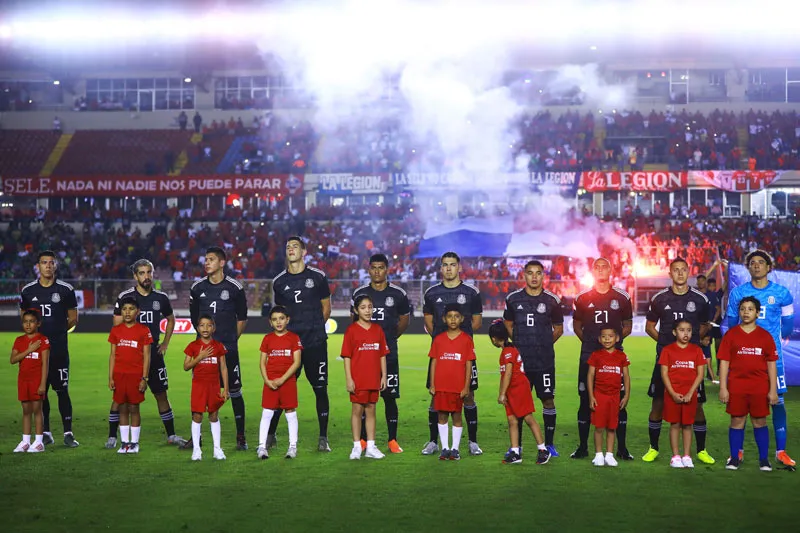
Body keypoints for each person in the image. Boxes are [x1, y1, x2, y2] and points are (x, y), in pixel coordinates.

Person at [726, 249, 794, 467]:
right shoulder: (738, 293)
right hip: (744, 360)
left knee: (778, 403)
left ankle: (780, 452)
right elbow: (731, 325)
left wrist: (775, 341)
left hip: (773, 360)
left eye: (761, 262)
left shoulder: (782, 293)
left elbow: (788, 326)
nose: (756, 265)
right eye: (752, 262)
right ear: (748, 267)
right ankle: (737, 452)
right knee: (741, 406)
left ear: (769, 267)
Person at [108, 259, 185, 449]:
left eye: (149, 272)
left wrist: (165, 343)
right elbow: (117, 328)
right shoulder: (126, 297)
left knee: (161, 394)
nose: (146, 276)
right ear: (135, 276)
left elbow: (171, 319)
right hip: (130, 358)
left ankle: (171, 435)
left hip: (154, 356)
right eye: (142, 273)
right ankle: (112, 437)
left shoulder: (161, 298)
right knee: (121, 398)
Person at [643, 258, 714, 464]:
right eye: (676, 270)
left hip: (691, 363)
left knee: (697, 406)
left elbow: (705, 324)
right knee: (658, 403)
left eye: (683, 270)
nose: (680, 273)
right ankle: (653, 448)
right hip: (665, 362)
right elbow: (649, 327)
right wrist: (668, 347)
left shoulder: (700, 299)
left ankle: (701, 450)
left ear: (688, 272)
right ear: (670, 273)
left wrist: (692, 345)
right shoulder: (659, 298)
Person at [269, 237, 333, 452]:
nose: (291, 249)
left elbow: (326, 308)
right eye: (288, 247)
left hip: (315, 343)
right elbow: (279, 315)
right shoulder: (279, 282)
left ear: (304, 252)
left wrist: (314, 329)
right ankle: (270, 435)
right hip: (290, 346)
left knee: (320, 389)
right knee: (282, 388)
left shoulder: (318, 277)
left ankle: (323, 437)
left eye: (295, 246)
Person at [421, 252, 483, 456]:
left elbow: (477, 322)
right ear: (441, 268)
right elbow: (428, 322)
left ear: (459, 267)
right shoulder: (431, 293)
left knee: (469, 395)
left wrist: (459, 341)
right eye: (445, 265)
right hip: (440, 353)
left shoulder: (471, 292)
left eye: (453, 264)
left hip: (463, 354)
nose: (449, 268)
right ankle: (433, 441)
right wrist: (444, 341)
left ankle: (472, 442)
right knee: (435, 395)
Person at [571, 258, 633, 460]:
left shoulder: (622, 297)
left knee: (619, 402)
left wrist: (613, 344)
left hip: (614, 359)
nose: (600, 270)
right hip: (588, 356)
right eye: (596, 267)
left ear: (611, 270)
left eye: (604, 266)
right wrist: (591, 343)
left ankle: (621, 449)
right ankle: (583, 447)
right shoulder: (582, 298)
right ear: (592, 271)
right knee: (585, 401)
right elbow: (577, 325)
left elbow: (628, 325)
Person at [189, 247, 248, 450]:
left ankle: (241, 437)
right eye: (205, 259)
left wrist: (228, 341)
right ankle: (196, 438)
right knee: (199, 392)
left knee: (235, 391)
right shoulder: (197, 288)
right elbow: (194, 319)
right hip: (203, 351)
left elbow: (242, 319)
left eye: (211, 259)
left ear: (222, 263)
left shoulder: (235, 288)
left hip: (228, 349)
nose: (206, 263)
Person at [19, 250, 80, 448]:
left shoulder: (66, 290)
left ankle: (68, 433)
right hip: (36, 352)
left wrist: (58, 333)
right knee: (40, 392)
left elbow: (73, 319)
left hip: (58, 351)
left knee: (62, 391)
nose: (47, 266)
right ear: (38, 266)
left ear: (55, 266)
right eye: (44, 262)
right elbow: (24, 318)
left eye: (51, 262)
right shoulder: (28, 291)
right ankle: (45, 432)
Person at [351, 254, 411, 453]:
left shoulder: (398, 294)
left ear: (387, 269)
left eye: (381, 267)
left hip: (389, 354)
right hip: (364, 357)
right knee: (363, 399)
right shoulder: (360, 293)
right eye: (374, 267)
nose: (377, 271)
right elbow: (354, 322)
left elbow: (404, 321)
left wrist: (389, 339)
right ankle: (362, 440)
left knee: (390, 397)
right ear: (369, 270)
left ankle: (392, 440)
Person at [503, 260, 563, 457]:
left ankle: (550, 445)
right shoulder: (513, 299)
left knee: (548, 400)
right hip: (521, 365)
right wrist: (519, 343)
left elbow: (558, 329)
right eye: (530, 273)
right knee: (518, 404)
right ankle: (517, 446)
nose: (534, 277)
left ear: (543, 276)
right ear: (524, 275)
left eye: (538, 273)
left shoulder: (552, 300)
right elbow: (508, 324)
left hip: (544, 362)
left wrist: (543, 344)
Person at [719, 297, 780, 471]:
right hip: (736, 386)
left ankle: (764, 460)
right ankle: (734, 459)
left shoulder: (765, 336)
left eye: (750, 309)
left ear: (758, 313)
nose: (746, 312)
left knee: (760, 422)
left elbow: (771, 364)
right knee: (737, 421)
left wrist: (773, 390)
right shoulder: (731, 335)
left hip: (759, 387)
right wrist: (723, 388)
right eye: (743, 309)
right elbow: (724, 362)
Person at [488, 320, 550, 465]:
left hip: (519, 388)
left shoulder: (508, 352)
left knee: (528, 418)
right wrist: (503, 392)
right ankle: (515, 452)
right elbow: (504, 375)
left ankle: (543, 450)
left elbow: (508, 373)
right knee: (512, 420)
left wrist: (502, 393)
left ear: (494, 339)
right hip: (511, 390)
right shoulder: (507, 350)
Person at [342, 294, 389, 460]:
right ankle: (356, 446)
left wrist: (384, 376)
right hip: (358, 379)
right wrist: (349, 379)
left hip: (373, 378)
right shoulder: (351, 330)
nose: (367, 311)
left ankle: (370, 446)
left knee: (371, 410)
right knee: (357, 410)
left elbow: (382, 354)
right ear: (356, 310)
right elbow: (346, 356)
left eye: (370, 307)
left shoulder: (378, 330)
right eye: (363, 308)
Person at [428, 304, 476, 461]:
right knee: (442, 416)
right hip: (441, 386)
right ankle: (445, 448)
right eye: (450, 316)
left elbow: (469, 364)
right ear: (444, 319)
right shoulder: (438, 340)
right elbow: (434, 362)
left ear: (462, 319)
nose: (453, 319)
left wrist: (466, 386)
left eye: (456, 316)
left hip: (457, 387)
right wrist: (433, 384)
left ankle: (455, 449)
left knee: (457, 417)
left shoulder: (466, 340)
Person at [658, 319, 706, 468]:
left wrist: (691, 393)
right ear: (674, 332)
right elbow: (664, 374)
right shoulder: (667, 350)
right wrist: (672, 393)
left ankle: (686, 456)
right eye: (682, 330)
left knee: (687, 425)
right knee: (675, 424)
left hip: (690, 394)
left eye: (689, 330)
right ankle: (675, 456)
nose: (686, 334)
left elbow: (700, 374)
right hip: (672, 394)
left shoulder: (696, 350)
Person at [108, 297, 152, 454]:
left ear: (138, 312)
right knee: (122, 408)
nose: (127, 312)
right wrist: (110, 377)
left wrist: (144, 378)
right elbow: (112, 355)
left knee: (134, 408)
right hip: (119, 376)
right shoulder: (116, 330)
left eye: (131, 309)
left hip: (135, 376)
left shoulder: (144, 331)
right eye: (124, 309)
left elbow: (147, 356)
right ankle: (125, 443)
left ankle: (134, 443)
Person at [257, 306, 302, 460]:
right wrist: (267, 380)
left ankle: (292, 447)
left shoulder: (294, 338)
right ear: (270, 322)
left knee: (290, 411)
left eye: (281, 318)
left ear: (287, 319)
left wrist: (282, 379)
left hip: (288, 381)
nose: (278, 322)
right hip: (270, 381)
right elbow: (262, 362)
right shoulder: (267, 339)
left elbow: (297, 362)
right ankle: (262, 447)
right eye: (275, 319)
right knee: (267, 412)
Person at [183, 315, 229, 461]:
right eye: (202, 325)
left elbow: (223, 368)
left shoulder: (218, 346)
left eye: (209, 325)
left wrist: (225, 389)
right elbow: (186, 366)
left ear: (213, 328)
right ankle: (197, 450)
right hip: (199, 386)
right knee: (197, 416)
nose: (205, 328)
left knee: (214, 415)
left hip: (214, 386)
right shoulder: (193, 346)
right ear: (197, 328)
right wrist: (199, 357)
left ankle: (217, 449)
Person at [587, 328, 631, 467]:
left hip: (615, 396)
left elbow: (626, 376)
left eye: (610, 336)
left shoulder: (621, 356)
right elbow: (590, 376)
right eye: (604, 336)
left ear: (617, 338)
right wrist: (591, 396)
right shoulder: (596, 355)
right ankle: (598, 455)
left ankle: (609, 455)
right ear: (599, 339)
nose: (607, 339)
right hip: (600, 395)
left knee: (612, 427)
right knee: (599, 427)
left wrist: (626, 395)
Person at [11, 309, 50, 453]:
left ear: (38, 323)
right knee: (26, 411)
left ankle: (39, 442)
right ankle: (25, 441)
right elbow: (13, 360)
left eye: (31, 321)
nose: (28, 325)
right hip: (23, 380)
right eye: (25, 322)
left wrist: (43, 384)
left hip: (36, 380)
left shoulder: (43, 340)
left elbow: (45, 364)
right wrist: (29, 350)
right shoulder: (19, 340)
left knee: (37, 410)